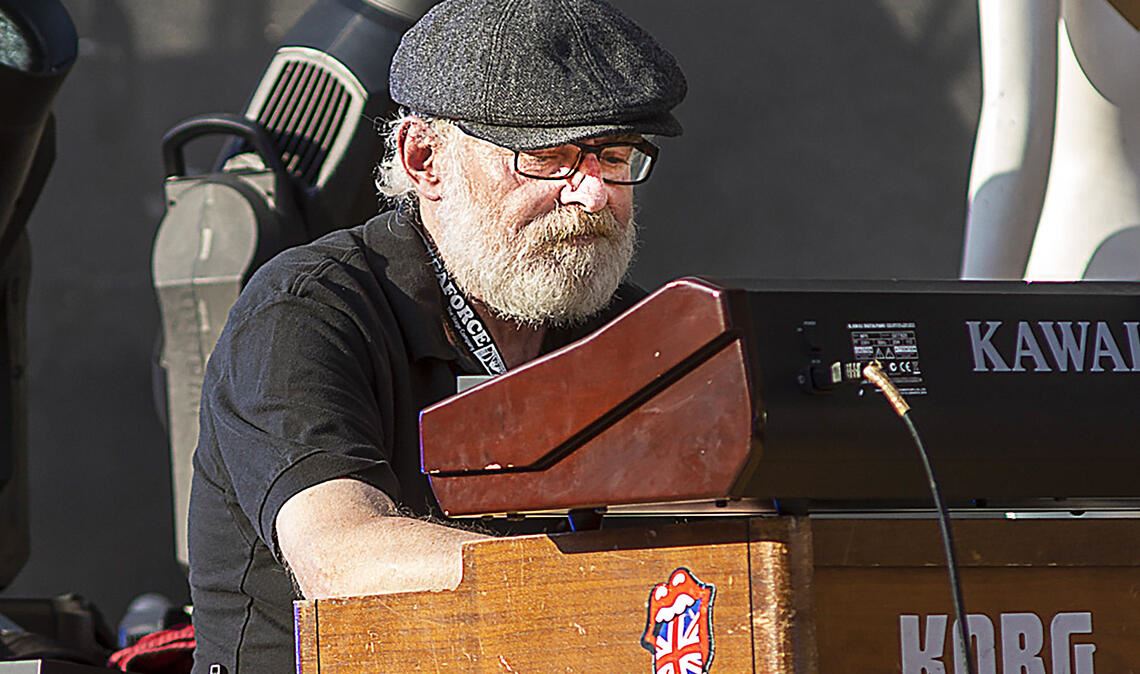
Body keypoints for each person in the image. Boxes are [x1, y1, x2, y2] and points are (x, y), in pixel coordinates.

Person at [186, 0, 687, 671]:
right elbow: (342, 558)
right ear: (425, 160)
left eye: (615, 156)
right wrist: (619, 586)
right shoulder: (304, 310)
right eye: (549, 158)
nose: (594, 195)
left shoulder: (634, 327)